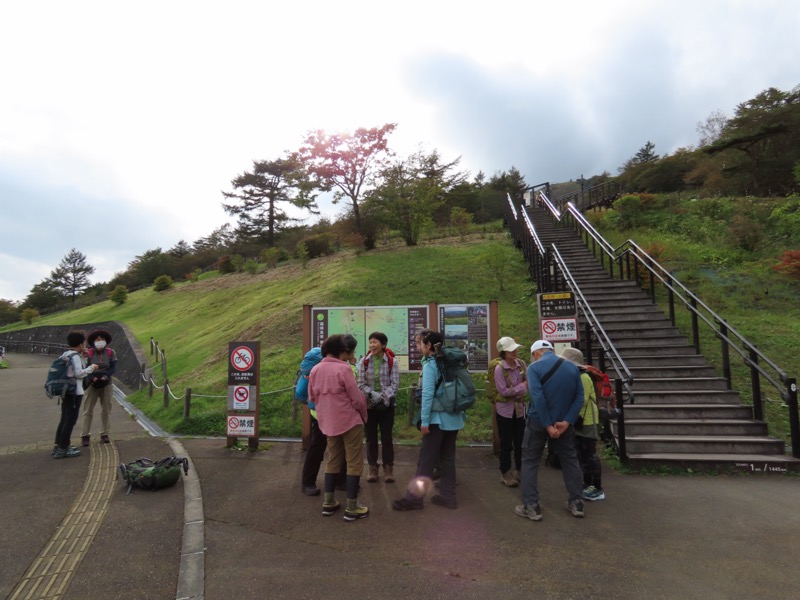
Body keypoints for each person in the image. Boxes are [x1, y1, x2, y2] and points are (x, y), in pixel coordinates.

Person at [393, 330, 464, 511]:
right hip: (454, 419)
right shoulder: (451, 363)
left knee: (426, 460)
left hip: (436, 420)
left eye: (420, 344)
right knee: (447, 459)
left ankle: (414, 499)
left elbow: (427, 396)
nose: (418, 347)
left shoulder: (431, 365)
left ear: (429, 345)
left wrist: (424, 421)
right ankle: (448, 497)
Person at [515, 339, 585, 521]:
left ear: (536, 353)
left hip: (538, 422)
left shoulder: (534, 368)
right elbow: (579, 397)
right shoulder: (571, 368)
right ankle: (576, 502)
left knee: (530, 461)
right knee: (570, 460)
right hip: (563, 425)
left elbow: (537, 397)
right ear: (551, 350)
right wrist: (567, 421)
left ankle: (531, 506)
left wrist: (547, 424)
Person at [308, 334, 369, 522]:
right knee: (354, 462)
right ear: (341, 351)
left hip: (328, 423)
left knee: (333, 459)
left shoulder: (315, 370)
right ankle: (352, 507)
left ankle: (329, 503)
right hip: (349, 421)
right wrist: (364, 415)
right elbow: (356, 398)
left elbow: (311, 398)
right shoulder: (344, 369)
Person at [300, 337, 354, 496]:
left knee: (339, 447)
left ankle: (339, 480)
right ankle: (308, 482)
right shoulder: (336, 366)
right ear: (344, 352)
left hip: (332, 413)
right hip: (321, 414)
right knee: (318, 447)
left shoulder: (339, 364)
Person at [561, 347, 605, 502]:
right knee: (581, 453)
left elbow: (582, 400)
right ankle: (587, 483)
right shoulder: (576, 375)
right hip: (579, 420)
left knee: (590, 453)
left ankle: (597, 487)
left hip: (587, 420)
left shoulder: (584, 377)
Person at [357, 331, 400, 483]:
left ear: (383, 345)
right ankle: (373, 468)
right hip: (369, 406)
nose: (372, 345)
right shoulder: (364, 362)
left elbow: (394, 385)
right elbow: (360, 384)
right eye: (370, 342)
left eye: (375, 342)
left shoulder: (392, 362)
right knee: (371, 438)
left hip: (386, 406)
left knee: (387, 437)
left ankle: (388, 468)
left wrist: (382, 397)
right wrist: (372, 394)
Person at [53, 331, 99, 459]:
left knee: (64, 418)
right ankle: (64, 448)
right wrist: (92, 368)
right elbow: (79, 373)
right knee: (70, 420)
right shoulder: (75, 356)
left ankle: (59, 445)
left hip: (66, 391)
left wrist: (83, 357)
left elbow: (71, 371)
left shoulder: (66, 354)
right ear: (80, 344)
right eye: (83, 343)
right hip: (74, 392)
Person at [493, 336, 528, 487]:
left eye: (515, 349)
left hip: (519, 410)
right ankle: (505, 472)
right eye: (511, 350)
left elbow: (528, 383)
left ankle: (520, 470)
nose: (515, 352)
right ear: (503, 353)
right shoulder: (499, 369)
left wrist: (519, 389)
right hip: (505, 411)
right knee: (506, 443)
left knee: (520, 442)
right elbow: (503, 391)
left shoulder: (521, 364)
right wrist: (522, 387)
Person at [80, 329, 118, 446]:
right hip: (92, 384)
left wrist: (106, 377)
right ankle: (85, 435)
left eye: (102, 339)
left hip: (106, 383)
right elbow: (84, 367)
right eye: (97, 339)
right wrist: (92, 378)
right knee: (87, 410)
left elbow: (112, 367)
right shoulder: (89, 353)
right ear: (93, 342)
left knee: (106, 409)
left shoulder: (111, 352)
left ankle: (105, 434)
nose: (100, 341)